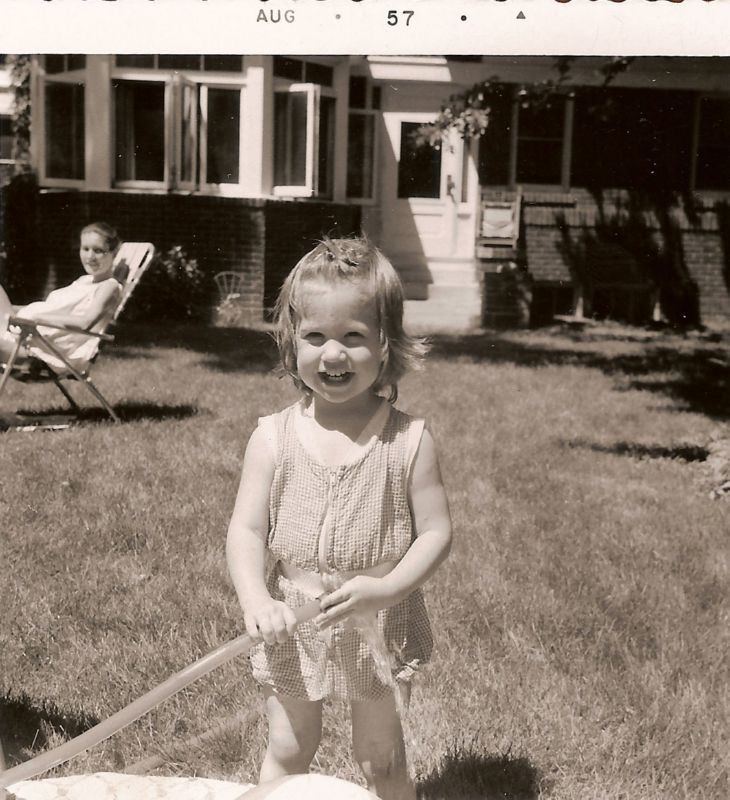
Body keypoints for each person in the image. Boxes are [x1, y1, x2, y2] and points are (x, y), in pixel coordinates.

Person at [226, 236, 452, 800]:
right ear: (291, 343)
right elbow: (247, 531)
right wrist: (257, 601)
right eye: (315, 336)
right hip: (292, 623)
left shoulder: (408, 440)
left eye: (354, 337)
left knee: (380, 757)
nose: (333, 354)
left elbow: (436, 533)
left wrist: (387, 588)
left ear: (385, 345)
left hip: (378, 619)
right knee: (288, 746)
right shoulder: (272, 438)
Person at [0, 222, 123, 373]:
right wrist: (17, 310)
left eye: (98, 250)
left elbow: (85, 323)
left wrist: (38, 319)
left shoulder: (108, 287)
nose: (90, 256)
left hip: (45, 352)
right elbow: (51, 308)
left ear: (113, 253)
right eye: (85, 249)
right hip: (24, 333)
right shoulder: (84, 281)